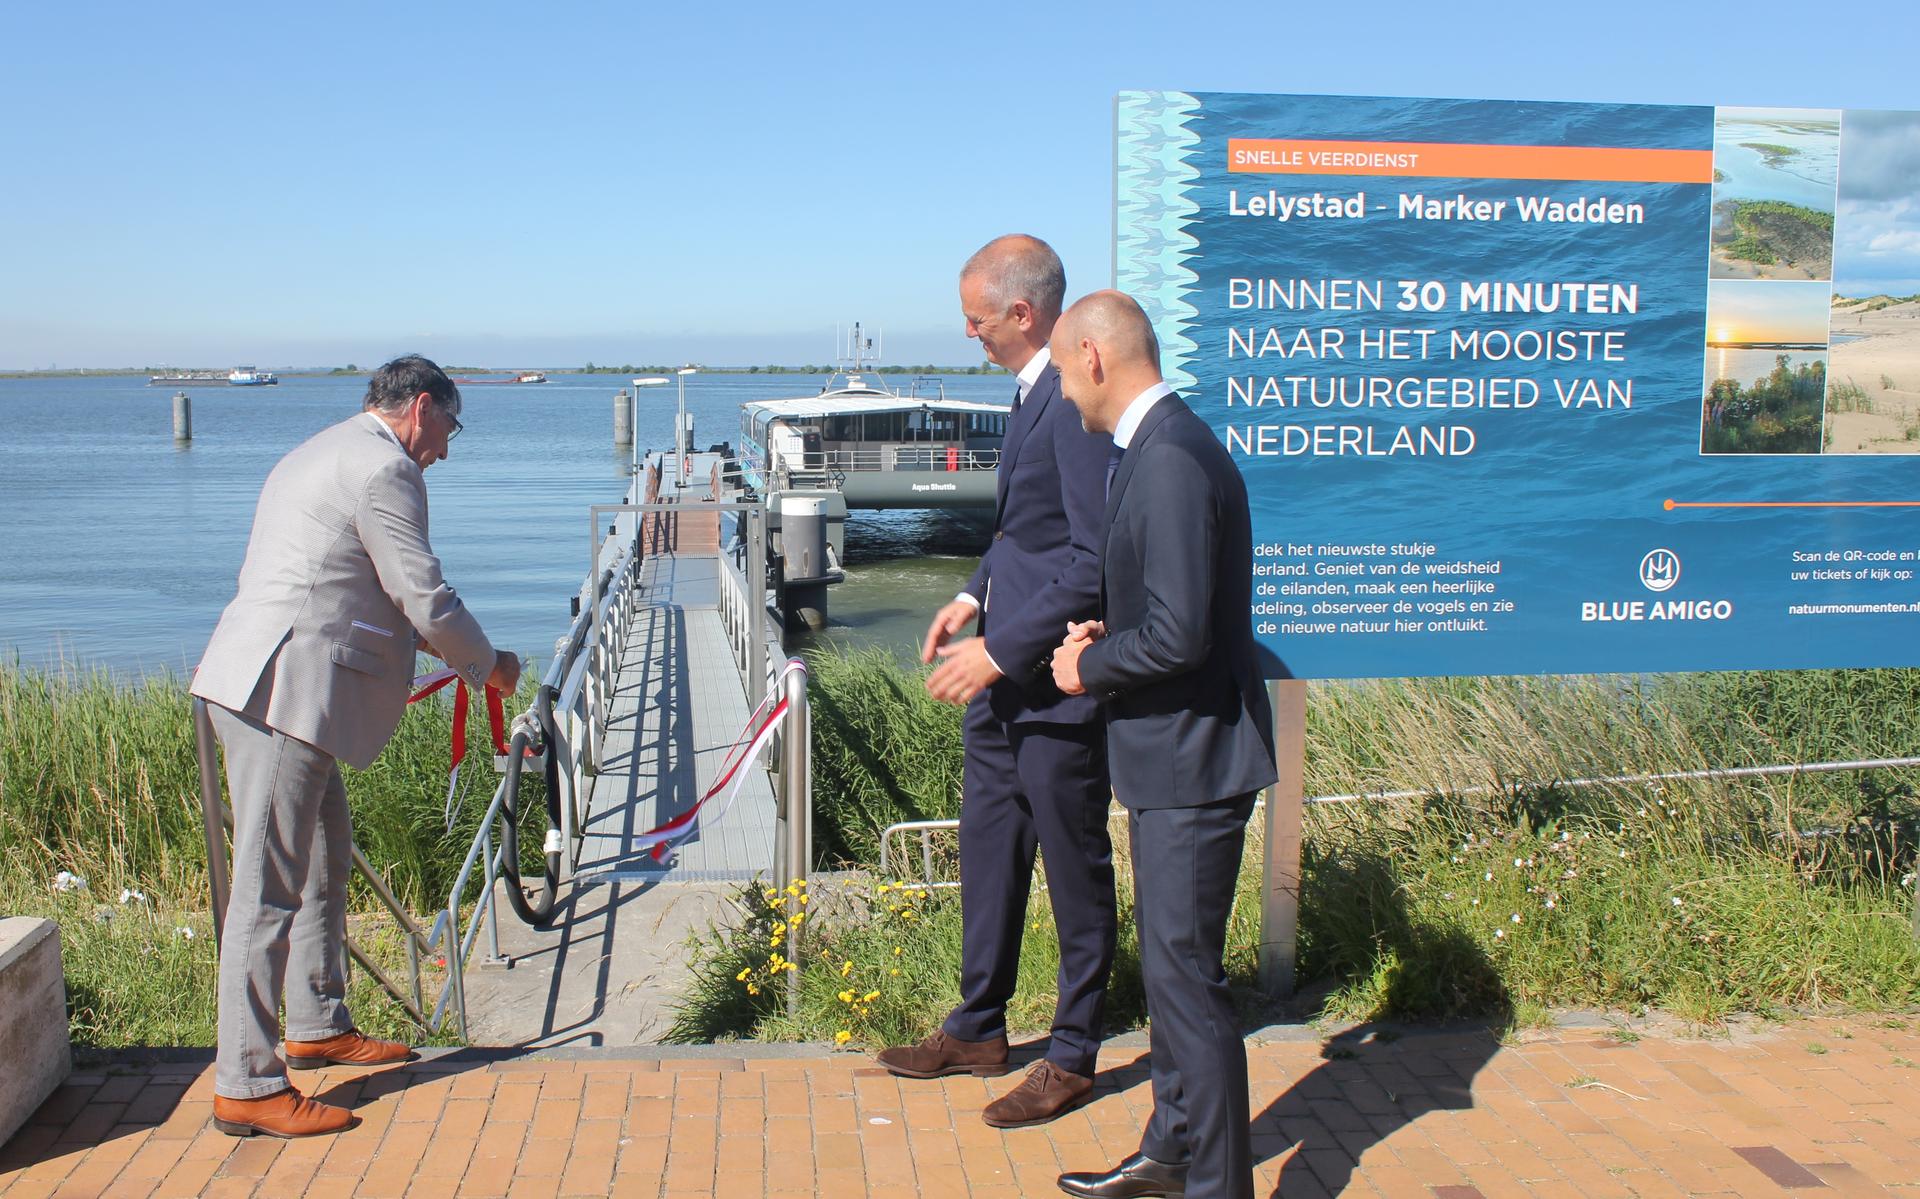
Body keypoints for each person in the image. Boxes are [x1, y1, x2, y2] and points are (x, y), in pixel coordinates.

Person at [190, 354, 521, 1138]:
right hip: (283, 693)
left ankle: (315, 1019)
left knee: (325, 855)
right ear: (420, 409)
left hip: (273, 681)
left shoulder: (321, 448)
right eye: (449, 426)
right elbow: (422, 593)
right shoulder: (385, 471)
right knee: (268, 886)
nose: (446, 446)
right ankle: (246, 1079)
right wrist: (489, 665)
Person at [875, 235, 1119, 1129]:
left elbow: (1091, 562)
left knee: (1074, 866)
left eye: (975, 319)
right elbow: (1025, 533)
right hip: (1001, 679)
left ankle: (1074, 1051)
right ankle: (978, 1025)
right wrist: (967, 591)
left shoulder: (1075, 404)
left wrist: (1000, 647)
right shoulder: (1029, 394)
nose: (968, 334)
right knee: (990, 851)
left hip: (1050, 682)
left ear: (1023, 313)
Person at [1049, 291, 1277, 1199]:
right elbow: (1178, 610)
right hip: (1174, 754)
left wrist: (1088, 665)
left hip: (1191, 759)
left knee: (1187, 985)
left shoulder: (1171, 458)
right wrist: (1118, 624)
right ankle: (1171, 1151)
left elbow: (1182, 636)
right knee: (1177, 970)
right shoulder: (1162, 446)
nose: (1066, 395)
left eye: (1066, 374)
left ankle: (1217, 1186)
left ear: (1095, 358)